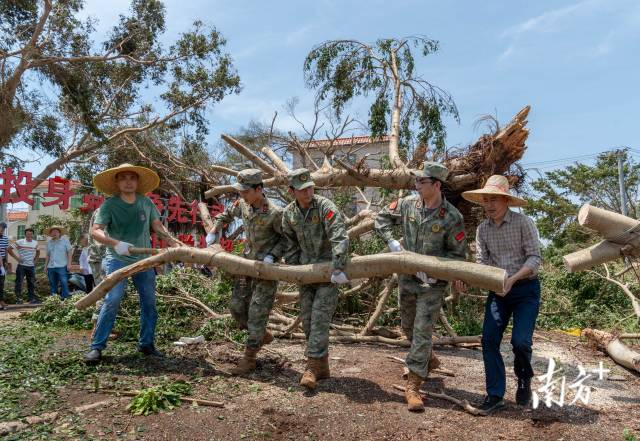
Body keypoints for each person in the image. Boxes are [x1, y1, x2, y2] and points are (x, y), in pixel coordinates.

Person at [375, 162, 467, 412]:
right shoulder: (407, 204)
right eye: (415, 181)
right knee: (407, 327)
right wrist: (393, 243)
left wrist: (441, 272)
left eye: (421, 182)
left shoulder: (451, 217)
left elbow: (459, 255)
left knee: (423, 330)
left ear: (436, 185)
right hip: (407, 278)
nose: (416, 186)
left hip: (433, 285)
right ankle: (428, 357)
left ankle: (414, 386)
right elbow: (381, 219)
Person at [461, 175, 542, 414]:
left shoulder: (523, 223)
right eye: (486, 199)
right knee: (488, 340)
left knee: (520, 342)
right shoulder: (482, 230)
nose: (489, 204)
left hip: (525, 290)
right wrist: (469, 279)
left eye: (494, 199)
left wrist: (513, 279)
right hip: (497, 292)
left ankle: (524, 378)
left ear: (506, 200)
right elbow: (481, 262)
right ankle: (495, 394)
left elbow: (535, 258)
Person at [84, 163, 179, 364]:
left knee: (149, 302)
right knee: (112, 299)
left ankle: (146, 344)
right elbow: (96, 230)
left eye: (132, 178)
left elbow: (157, 226)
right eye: (123, 178)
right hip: (117, 259)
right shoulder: (109, 205)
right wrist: (115, 243)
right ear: (117, 182)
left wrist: (175, 243)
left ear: (137, 182)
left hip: (144, 261)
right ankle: (97, 347)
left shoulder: (145, 203)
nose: (128, 181)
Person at [208, 169, 285, 374]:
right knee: (236, 308)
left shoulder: (275, 213)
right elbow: (226, 215)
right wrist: (215, 229)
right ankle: (261, 334)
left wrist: (273, 256)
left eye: (246, 191)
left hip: (267, 270)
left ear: (259, 189)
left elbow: (286, 239)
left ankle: (249, 358)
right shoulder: (242, 204)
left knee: (257, 312)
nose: (242, 194)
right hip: (246, 266)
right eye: (240, 191)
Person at [281, 168, 350, 390]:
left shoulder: (324, 207)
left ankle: (311, 367)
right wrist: (294, 269)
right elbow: (289, 243)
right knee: (309, 321)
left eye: (310, 187)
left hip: (330, 274)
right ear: (292, 191)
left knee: (320, 318)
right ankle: (322, 366)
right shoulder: (289, 214)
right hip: (306, 274)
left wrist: (338, 267)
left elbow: (339, 235)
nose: (308, 192)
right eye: (302, 190)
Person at [10, 227, 40, 304]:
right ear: (25, 234)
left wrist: (36, 260)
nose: (29, 235)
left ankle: (31, 299)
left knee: (31, 283)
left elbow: (38, 251)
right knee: (19, 283)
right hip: (21, 266)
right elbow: (9, 249)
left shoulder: (35, 243)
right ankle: (19, 299)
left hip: (31, 266)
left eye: (31, 234)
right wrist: (17, 258)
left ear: (33, 234)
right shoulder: (20, 242)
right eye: (27, 234)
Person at [43, 226, 73, 299]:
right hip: (51, 266)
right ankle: (54, 299)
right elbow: (48, 255)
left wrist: (69, 264)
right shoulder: (49, 243)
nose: (54, 233)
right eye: (52, 232)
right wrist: (45, 266)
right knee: (53, 283)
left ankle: (65, 298)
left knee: (64, 282)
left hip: (62, 265)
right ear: (50, 234)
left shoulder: (65, 241)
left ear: (60, 233)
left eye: (56, 232)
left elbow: (69, 252)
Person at [0, 221, 8, 310]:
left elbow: (5, 251)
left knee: (1, 283)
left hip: (2, 261)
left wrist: (6, 262)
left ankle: (1, 301)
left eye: (4, 228)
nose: (2, 230)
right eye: (1, 227)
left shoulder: (5, 238)